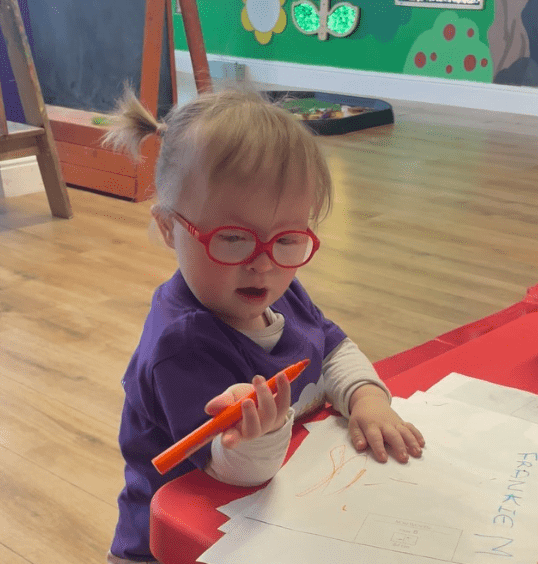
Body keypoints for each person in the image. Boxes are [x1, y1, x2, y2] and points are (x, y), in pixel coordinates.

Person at [103, 86, 425, 564]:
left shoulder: (279, 289)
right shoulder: (182, 345)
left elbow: (332, 347)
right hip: (176, 545)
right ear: (170, 227)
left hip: (266, 517)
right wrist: (259, 434)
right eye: (233, 238)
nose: (263, 264)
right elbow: (233, 472)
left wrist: (367, 398)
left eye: (288, 239)